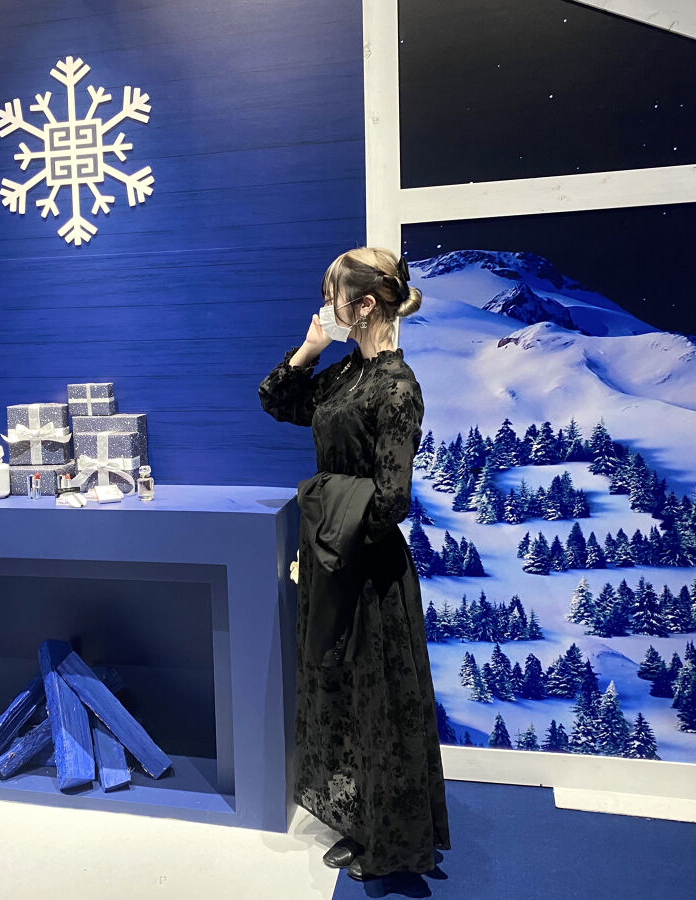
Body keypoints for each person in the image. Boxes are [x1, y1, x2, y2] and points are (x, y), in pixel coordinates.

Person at [258, 246, 450, 882]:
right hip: (333, 558)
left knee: (379, 702)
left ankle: (391, 844)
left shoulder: (398, 387)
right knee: (339, 692)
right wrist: (310, 348)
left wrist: (331, 523)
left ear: (364, 305)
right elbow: (277, 401)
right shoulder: (344, 373)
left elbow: (392, 498)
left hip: (366, 568)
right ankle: (359, 819)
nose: (325, 305)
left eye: (332, 296)